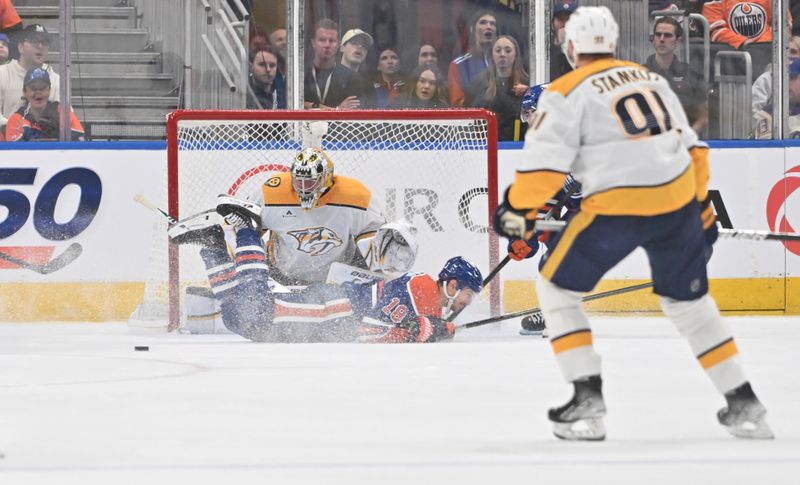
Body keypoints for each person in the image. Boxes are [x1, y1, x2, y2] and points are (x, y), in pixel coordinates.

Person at [493, 6, 773, 441]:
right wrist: (703, 213)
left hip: (618, 206)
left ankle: (587, 398)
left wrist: (515, 210)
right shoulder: (653, 80)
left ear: (571, 48)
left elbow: (542, 167)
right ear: (614, 45)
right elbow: (693, 150)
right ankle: (745, 403)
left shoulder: (565, 90)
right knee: (691, 307)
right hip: (677, 201)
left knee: (555, 288)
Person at [168, 203, 482, 343]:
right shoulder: (424, 292)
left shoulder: (423, 292)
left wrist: (432, 328)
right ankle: (249, 230)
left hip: (326, 308)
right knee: (252, 314)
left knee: (237, 317)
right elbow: (370, 332)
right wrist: (426, 331)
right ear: (452, 285)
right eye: (468, 294)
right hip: (323, 312)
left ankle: (212, 246)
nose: (468, 302)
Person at [645, 17, 708, 133]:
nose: (662, 39)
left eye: (668, 35)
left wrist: (685, 139)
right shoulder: (640, 74)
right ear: (653, 39)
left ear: (678, 42)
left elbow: (703, 117)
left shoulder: (690, 75)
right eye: (658, 35)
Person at [467, 35, 530, 141]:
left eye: (508, 51)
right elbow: (473, 118)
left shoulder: (527, 83)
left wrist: (528, 93)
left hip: (518, 147)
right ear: (491, 54)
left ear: (516, 55)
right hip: (487, 146)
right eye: (498, 50)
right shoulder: (479, 83)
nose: (502, 54)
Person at [0, 24, 60, 130]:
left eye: (44, 42)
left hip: (46, 142)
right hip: (8, 143)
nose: (40, 46)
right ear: (20, 47)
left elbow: (66, 117)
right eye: (34, 41)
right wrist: (22, 128)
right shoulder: (3, 73)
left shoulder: (55, 79)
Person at [5, 67, 84, 142]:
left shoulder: (62, 112)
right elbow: (15, 152)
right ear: (25, 92)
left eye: (42, 87)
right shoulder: (16, 119)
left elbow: (80, 140)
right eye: (33, 88)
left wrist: (57, 132)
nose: (38, 92)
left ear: (49, 90)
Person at [303, 19, 362, 110]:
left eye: (332, 41)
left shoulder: (352, 78)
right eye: (322, 40)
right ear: (313, 43)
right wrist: (336, 110)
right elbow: (290, 105)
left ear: (338, 44)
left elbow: (352, 114)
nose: (327, 45)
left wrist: (310, 106)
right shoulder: (299, 74)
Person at [448, 10, 497, 107]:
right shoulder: (458, 65)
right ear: (472, 29)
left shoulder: (503, 60)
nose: (489, 26)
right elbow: (458, 104)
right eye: (483, 22)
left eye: (492, 24)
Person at [753, 58, 800, 138]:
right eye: (785, 78)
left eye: (792, 78)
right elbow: (766, 146)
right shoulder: (768, 113)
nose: (787, 82)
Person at [337, 28, 374, 108]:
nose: (360, 46)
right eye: (354, 43)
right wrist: (337, 109)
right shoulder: (329, 77)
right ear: (342, 48)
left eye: (364, 45)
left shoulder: (368, 85)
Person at [551, 1, 577, 79]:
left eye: (569, 20)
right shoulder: (544, 50)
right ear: (552, 24)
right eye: (560, 20)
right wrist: (559, 44)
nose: (565, 24)